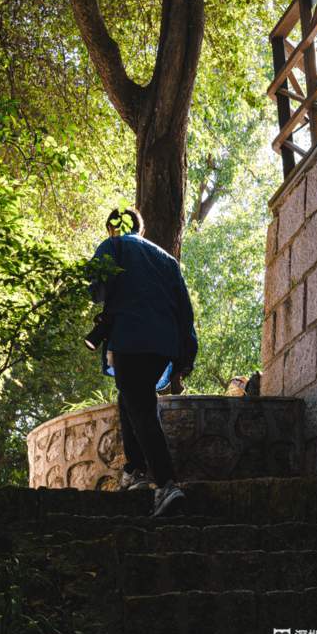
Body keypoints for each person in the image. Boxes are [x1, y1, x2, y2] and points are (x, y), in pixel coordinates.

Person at [91, 206, 197, 517]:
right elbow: (184, 309)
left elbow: (97, 289)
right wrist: (186, 355)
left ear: (116, 227)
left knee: (141, 409)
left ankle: (166, 484)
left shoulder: (114, 246)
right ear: (142, 228)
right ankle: (134, 471)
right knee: (131, 399)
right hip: (162, 346)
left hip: (130, 340)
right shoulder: (167, 259)